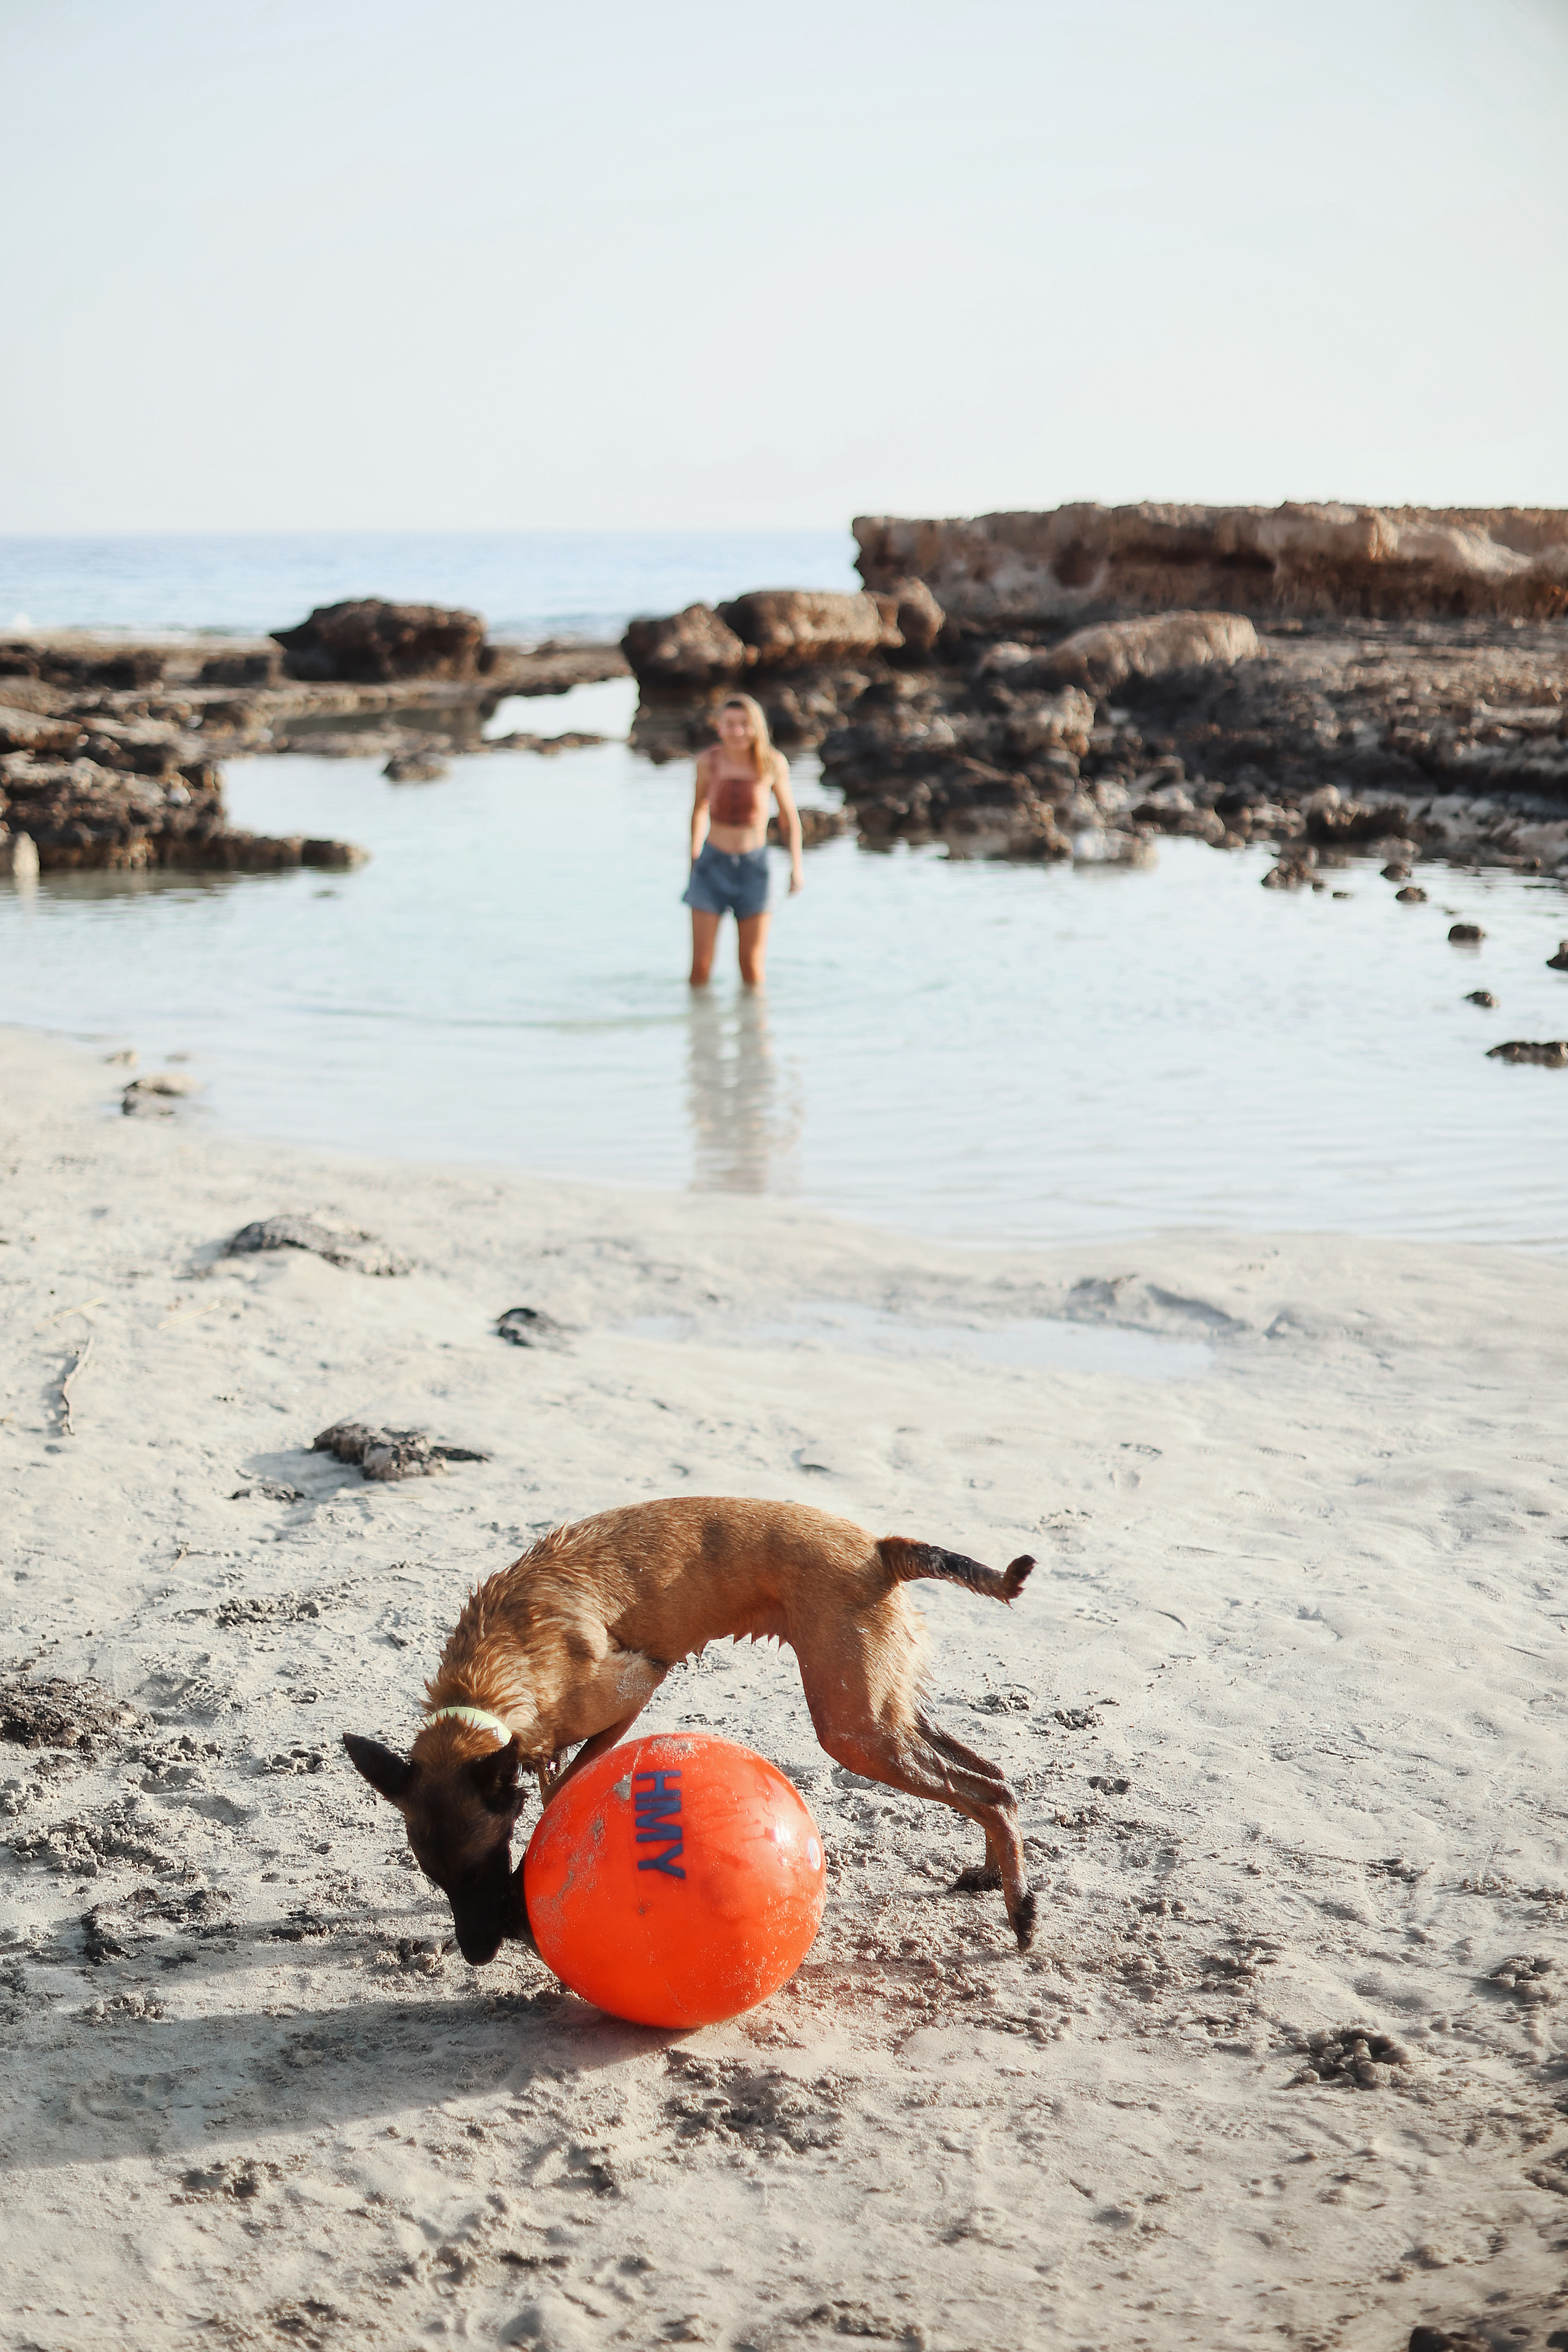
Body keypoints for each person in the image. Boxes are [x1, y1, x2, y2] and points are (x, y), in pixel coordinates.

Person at [682, 693, 803, 987]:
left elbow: (789, 818)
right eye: (730, 724)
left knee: (751, 969)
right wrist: (694, 858)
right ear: (719, 727)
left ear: (756, 727)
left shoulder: (771, 763)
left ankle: (754, 1033)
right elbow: (698, 810)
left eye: (744, 724)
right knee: (700, 968)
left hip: (754, 868)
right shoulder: (707, 762)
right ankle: (700, 1032)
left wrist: (795, 867)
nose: (737, 732)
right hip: (711, 865)